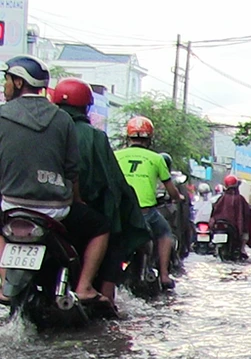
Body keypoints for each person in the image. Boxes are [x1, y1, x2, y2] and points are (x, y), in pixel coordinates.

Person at [0, 56, 111, 304]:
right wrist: (77, 201)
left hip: (10, 206)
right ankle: (83, 287)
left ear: (18, 82)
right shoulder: (62, 119)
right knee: (101, 227)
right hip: (55, 211)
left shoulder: (2, 115)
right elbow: (72, 170)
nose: (5, 85)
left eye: (7, 79)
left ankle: (3, 280)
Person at [50, 78, 149, 303]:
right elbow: (112, 183)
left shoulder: (46, 129)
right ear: (86, 106)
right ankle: (104, 295)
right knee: (113, 231)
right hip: (77, 209)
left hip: (31, 205)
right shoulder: (94, 136)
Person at [114, 115, 183, 290]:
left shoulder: (116, 155)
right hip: (145, 211)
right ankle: (165, 275)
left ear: (128, 137)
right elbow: (170, 188)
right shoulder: (157, 159)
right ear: (149, 138)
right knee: (166, 233)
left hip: (120, 211)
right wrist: (177, 198)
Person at [210, 174, 251, 259]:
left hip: (221, 225)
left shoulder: (222, 198)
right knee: (245, 234)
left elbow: (214, 212)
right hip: (234, 228)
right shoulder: (240, 199)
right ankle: (242, 249)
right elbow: (248, 214)